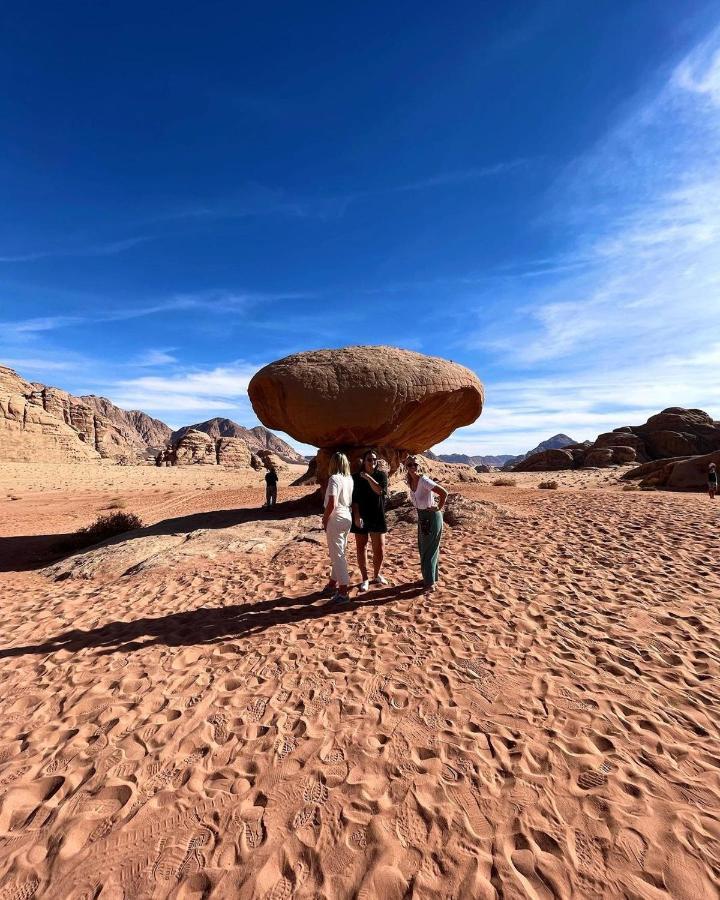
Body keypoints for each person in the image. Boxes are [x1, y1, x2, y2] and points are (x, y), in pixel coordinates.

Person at [405, 456, 448, 593]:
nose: (412, 467)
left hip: (431, 516)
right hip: (422, 517)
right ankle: (430, 577)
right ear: (406, 467)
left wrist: (438, 507)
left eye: (415, 465)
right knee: (424, 548)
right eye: (409, 465)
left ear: (418, 466)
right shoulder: (410, 481)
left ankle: (430, 584)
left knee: (429, 549)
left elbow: (443, 493)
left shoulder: (424, 480)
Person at [351, 450, 389, 591]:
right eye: (369, 459)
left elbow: (380, 491)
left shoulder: (381, 475)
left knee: (380, 549)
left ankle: (377, 574)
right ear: (363, 461)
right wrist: (356, 516)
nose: (372, 462)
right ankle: (365, 579)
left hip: (377, 516)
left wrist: (368, 477)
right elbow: (354, 500)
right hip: (361, 516)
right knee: (362, 548)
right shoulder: (355, 478)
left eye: (374, 460)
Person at [322, 452, 354, 601]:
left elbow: (332, 503)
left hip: (336, 517)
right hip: (347, 516)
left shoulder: (334, 478)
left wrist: (324, 519)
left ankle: (343, 591)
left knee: (337, 555)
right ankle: (332, 584)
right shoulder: (349, 479)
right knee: (340, 551)